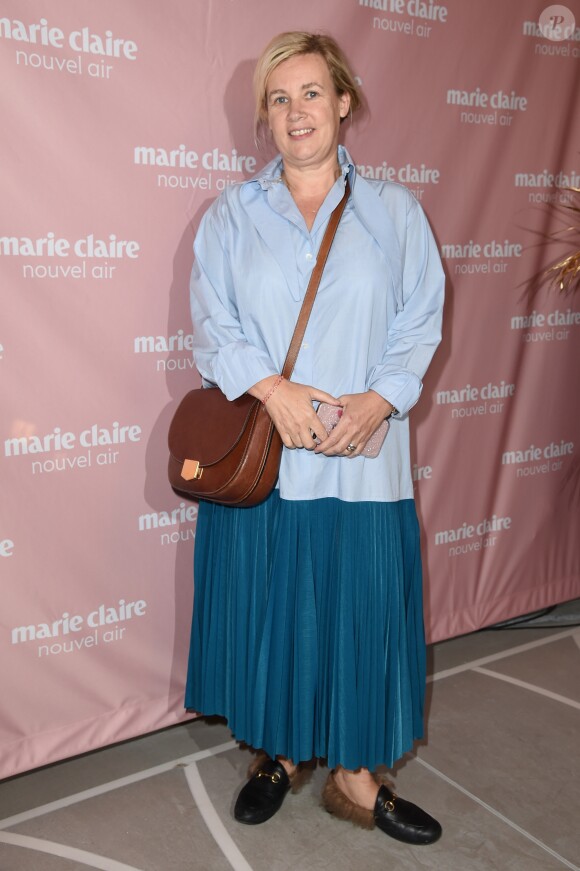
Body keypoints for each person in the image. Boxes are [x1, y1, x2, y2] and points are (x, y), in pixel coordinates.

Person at [185, 31, 445, 846]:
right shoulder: (230, 215)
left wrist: (383, 399)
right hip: (266, 466)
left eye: (310, 93)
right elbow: (213, 324)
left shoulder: (396, 211)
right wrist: (271, 387)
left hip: (365, 466)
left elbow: (420, 320)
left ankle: (357, 777)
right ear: (265, 117)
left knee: (361, 613)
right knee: (272, 614)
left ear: (343, 102)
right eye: (278, 98)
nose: (296, 112)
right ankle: (276, 755)